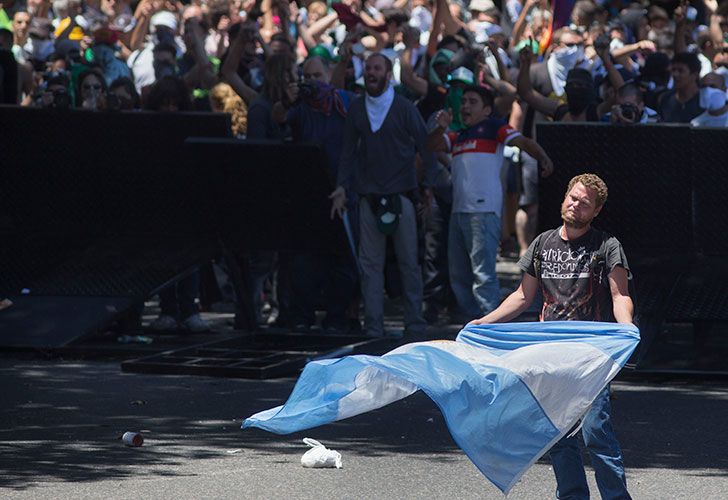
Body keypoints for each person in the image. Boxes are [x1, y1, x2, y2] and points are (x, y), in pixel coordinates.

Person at [471, 173, 634, 500]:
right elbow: (522, 296)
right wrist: (484, 322)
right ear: (564, 197)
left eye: (584, 204)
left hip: (592, 356)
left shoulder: (606, 246)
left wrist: (628, 329)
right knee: (560, 438)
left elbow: (620, 296)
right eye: (573, 198)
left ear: (595, 211)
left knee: (596, 434)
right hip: (551, 357)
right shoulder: (543, 243)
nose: (576, 205)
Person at [330, 52, 437, 338]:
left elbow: (426, 147)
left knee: (409, 264)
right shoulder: (356, 108)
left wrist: (428, 187)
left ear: (388, 74)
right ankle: (373, 327)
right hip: (368, 197)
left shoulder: (404, 108)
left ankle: (414, 323)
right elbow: (348, 152)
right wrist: (342, 186)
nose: (372, 73)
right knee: (370, 266)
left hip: (402, 195)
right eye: (368, 68)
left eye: (377, 68)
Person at [427, 84, 553, 320]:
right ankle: (471, 322)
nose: (465, 106)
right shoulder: (458, 135)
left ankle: (491, 324)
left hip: (483, 212)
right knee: (459, 275)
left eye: (472, 102)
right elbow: (432, 146)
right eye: (463, 102)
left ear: (487, 110)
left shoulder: (495, 127)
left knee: (483, 275)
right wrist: (440, 128)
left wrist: (543, 158)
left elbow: (523, 143)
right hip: (458, 213)